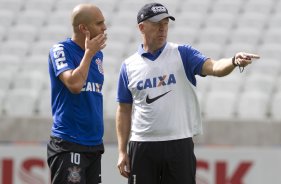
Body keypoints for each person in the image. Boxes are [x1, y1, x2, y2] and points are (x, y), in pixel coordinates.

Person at [116, 2, 260, 184]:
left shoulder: (182, 53)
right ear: (142, 27)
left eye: (166, 24)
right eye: (157, 24)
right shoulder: (128, 66)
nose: (163, 29)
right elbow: (123, 108)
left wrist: (233, 61)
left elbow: (215, 67)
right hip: (142, 145)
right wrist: (122, 151)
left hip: (179, 144)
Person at [47, 3, 107, 184]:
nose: (104, 27)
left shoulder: (98, 55)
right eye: (99, 23)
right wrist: (88, 54)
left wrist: (91, 53)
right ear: (83, 28)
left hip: (93, 144)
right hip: (69, 142)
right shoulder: (61, 50)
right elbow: (74, 84)